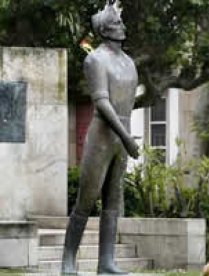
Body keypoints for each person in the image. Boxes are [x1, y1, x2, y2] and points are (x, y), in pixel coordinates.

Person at [61, 1, 139, 274]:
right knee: (87, 198)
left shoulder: (129, 63)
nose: (122, 26)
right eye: (117, 22)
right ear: (105, 29)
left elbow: (127, 102)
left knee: (113, 202)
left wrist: (126, 138)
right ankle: (68, 259)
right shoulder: (95, 59)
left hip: (121, 136)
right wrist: (127, 138)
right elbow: (103, 104)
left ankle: (106, 262)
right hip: (103, 136)